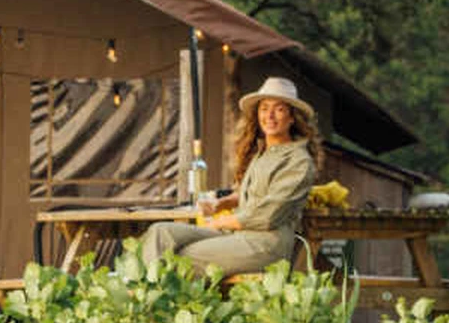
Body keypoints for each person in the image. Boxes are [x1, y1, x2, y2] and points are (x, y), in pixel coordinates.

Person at [139, 77, 326, 279]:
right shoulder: (262, 153)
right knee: (160, 233)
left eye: (279, 109)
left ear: (292, 118)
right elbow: (248, 194)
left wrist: (221, 222)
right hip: (236, 234)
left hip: (265, 244)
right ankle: (148, 291)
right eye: (264, 108)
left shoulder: (298, 162)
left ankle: (151, 294)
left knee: (181, 257)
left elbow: (268, 215)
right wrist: (221, 204)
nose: (270, 115)